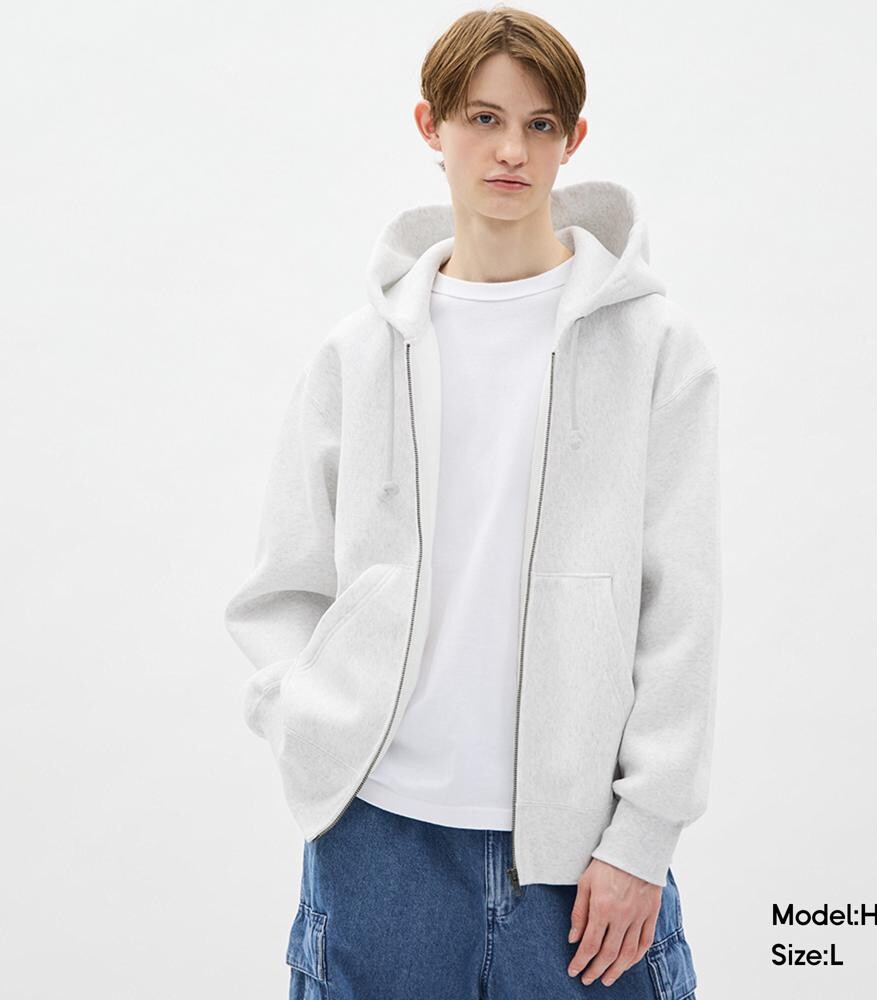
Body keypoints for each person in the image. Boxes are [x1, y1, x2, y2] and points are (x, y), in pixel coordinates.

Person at [223, 7, 720, 998]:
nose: (511, 150)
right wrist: (312, 727)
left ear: (573, 139)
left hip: (581, 855)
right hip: (380, 841)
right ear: (431, 126)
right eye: (483, 118)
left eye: (540, 124)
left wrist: (643, 834)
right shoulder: (358, 353)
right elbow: (284, 583)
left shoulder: (656, 348)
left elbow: (682, 605)